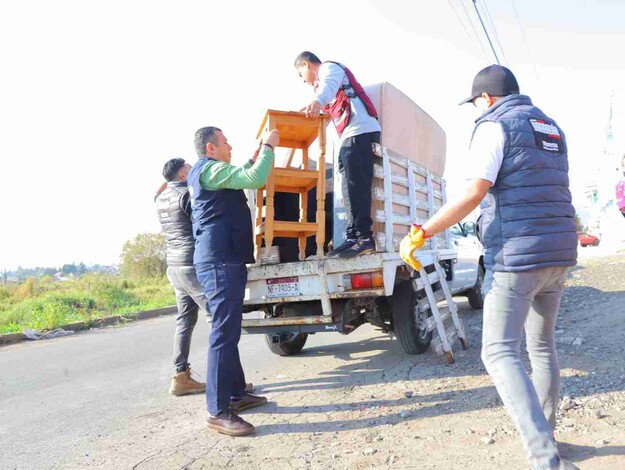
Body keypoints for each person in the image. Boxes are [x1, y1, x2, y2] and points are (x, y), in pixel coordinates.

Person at [400, 65, 579, 470]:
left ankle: (545, 459)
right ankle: (548, 439)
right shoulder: (550, 127)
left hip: (518, 254)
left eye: (476, 103)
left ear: (486, 98)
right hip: (559, 252)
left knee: (498, 351)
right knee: (541, 347)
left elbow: (473, 192)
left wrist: (422, 232)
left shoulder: (494, 126)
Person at [188, 126, 278, 437]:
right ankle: (216, 411)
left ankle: (236, 394)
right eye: (225, 142)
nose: (230, 146)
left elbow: (243, 174)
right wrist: (268, 147)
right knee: (223, 333)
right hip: (218, 260)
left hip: (224, 258)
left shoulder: (214, 171)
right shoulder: (211, 169)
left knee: (229, 329)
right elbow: (254, 179)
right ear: (211, 148)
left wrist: (255, 157)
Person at [294, 51, 381, 258]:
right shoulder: (322, 84)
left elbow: (328, 88)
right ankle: (353, 237)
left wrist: (317, 101)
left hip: (360, 131)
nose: (303, 81)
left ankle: (364, 238)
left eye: (300, 74)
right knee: (347, 188)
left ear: (306, 64)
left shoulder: (328, 68)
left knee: (356, 186)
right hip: (350, 136)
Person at [155, 158, 208, 397]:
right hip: (190, 264)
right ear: (183, 175)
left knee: (184, 321)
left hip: (174, 266)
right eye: (189, 169)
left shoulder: (160, 199)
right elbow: (201, 226)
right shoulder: (187, 196)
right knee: (218, 317)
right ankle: (229, 384)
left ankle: (180, 376)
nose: (193, 172)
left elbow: (157, 192)